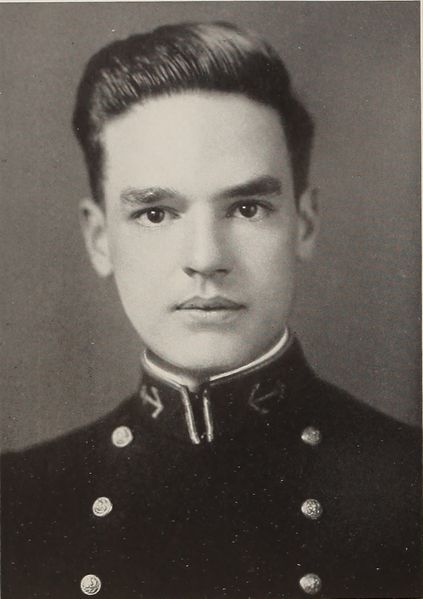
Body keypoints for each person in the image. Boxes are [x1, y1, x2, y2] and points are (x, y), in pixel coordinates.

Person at [2, 21, 421, 599]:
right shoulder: (17, 504)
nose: (205, 259)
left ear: (304, 223)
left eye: (247, 208)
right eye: (155, 214)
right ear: (100, 239)